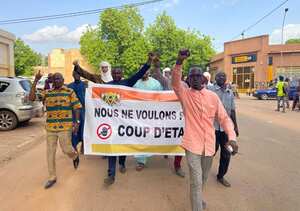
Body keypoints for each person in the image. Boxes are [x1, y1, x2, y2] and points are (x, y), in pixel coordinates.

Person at [73, 53, 156, 185]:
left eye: (119, 73)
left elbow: (139, 74)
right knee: (112, 147)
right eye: (115, 73)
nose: (117, 75)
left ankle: (122, 164)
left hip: (125, 121)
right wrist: (78, 68)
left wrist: (149, 61)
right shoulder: (107, 86)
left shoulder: (127, 83)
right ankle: (111, 175)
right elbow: (93, 87)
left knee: (122, 145)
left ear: (121, 74)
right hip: (111, 122)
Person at [172, 49, 238, 211]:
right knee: (196, 180)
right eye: (191, 75)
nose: (194, 78)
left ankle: (198, 200)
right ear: (188, 79)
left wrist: (232, 137)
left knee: (203, 178)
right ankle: (197, 207)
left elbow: (224, 118)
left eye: (197, 75)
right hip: (192, 145)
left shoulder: (212, 97)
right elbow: (174, 82)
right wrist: (179, 62)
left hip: (209, 145)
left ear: (203, 78)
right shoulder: (184, 94)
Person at [29, 71, 81, 189]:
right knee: (50, 152)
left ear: (63, 80)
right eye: (55, 79)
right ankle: (52, 177)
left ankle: (74, 156)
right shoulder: (47, 93)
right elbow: (31, 98)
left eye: (59, 79)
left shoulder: (69, 92)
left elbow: (77, 107)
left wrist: (76, 122)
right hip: (51, 127)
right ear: (52, 81)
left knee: (66, 149)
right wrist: (36, 81)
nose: (57, 81)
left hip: (65, 126)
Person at [152, 62, 185, 178]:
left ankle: (177, 165)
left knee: (179, 139)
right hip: (166, 116)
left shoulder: (185, 85)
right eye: (172, 73)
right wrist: (156, 66)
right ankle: (166, 150)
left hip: (180, 117)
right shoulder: (167, 82)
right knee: (166, 135)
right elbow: (158, 75)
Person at [209, 72, 239, 187]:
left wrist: (235, 126)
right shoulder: (210, 90)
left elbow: (232, 111)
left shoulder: (229, 93)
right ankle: (203, 172)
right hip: (213, 127)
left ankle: (221, 176)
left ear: (226, 79)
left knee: (227, 153)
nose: (221, 78)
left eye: (223, 76)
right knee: (212, 151)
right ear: (215, 78)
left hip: (226, 129)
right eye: (219, 76)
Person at [133, 69, 163, 171]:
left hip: (152, 115)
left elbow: (162, 97)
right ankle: (141, 161)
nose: (144, 73)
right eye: (142, 71)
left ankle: (161, 150)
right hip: (139, 116)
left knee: (152, 135)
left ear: (149, 72)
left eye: (146, 71)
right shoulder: (135, 83)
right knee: (141, 136)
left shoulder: (156, 83)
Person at [68, 71, 87, 153]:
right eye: (75, 74)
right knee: (74, 128)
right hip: (73, 111)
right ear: (72, 75)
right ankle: (74, 147)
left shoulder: (85, 85)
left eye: (78, 74)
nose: (76, 76)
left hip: (83, 110)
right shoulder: (70, 86)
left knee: (84, 128)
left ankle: (83, 147)